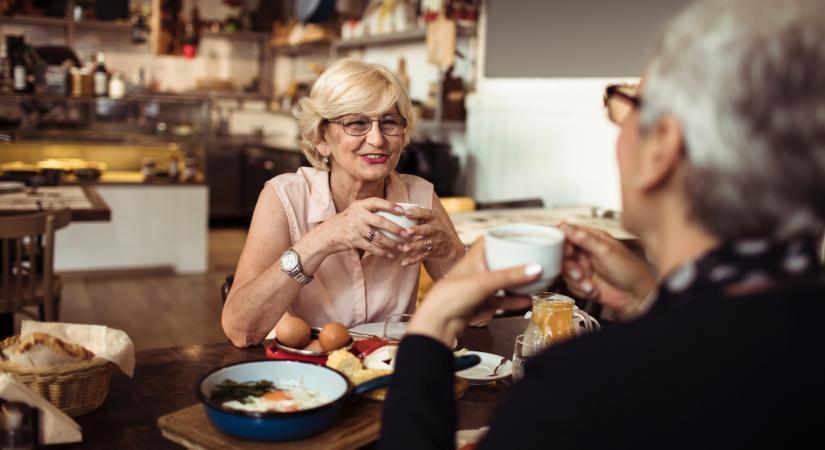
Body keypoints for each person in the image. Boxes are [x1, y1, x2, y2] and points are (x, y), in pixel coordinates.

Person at [379, 0, 825, 448]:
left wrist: (430, 331)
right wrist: (652, 303)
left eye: (628, 106)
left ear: (661, 148)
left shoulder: (579, 390)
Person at [222, 60, 466, 347]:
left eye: (389, 122)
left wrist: (449, 251)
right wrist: (323, 239)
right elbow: (241, 330)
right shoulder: (285, 197)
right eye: (356, 123)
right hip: (306, 374)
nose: (376, 139)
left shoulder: (420, 197)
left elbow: (479, 316)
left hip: (388, 371)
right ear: (322, 138)